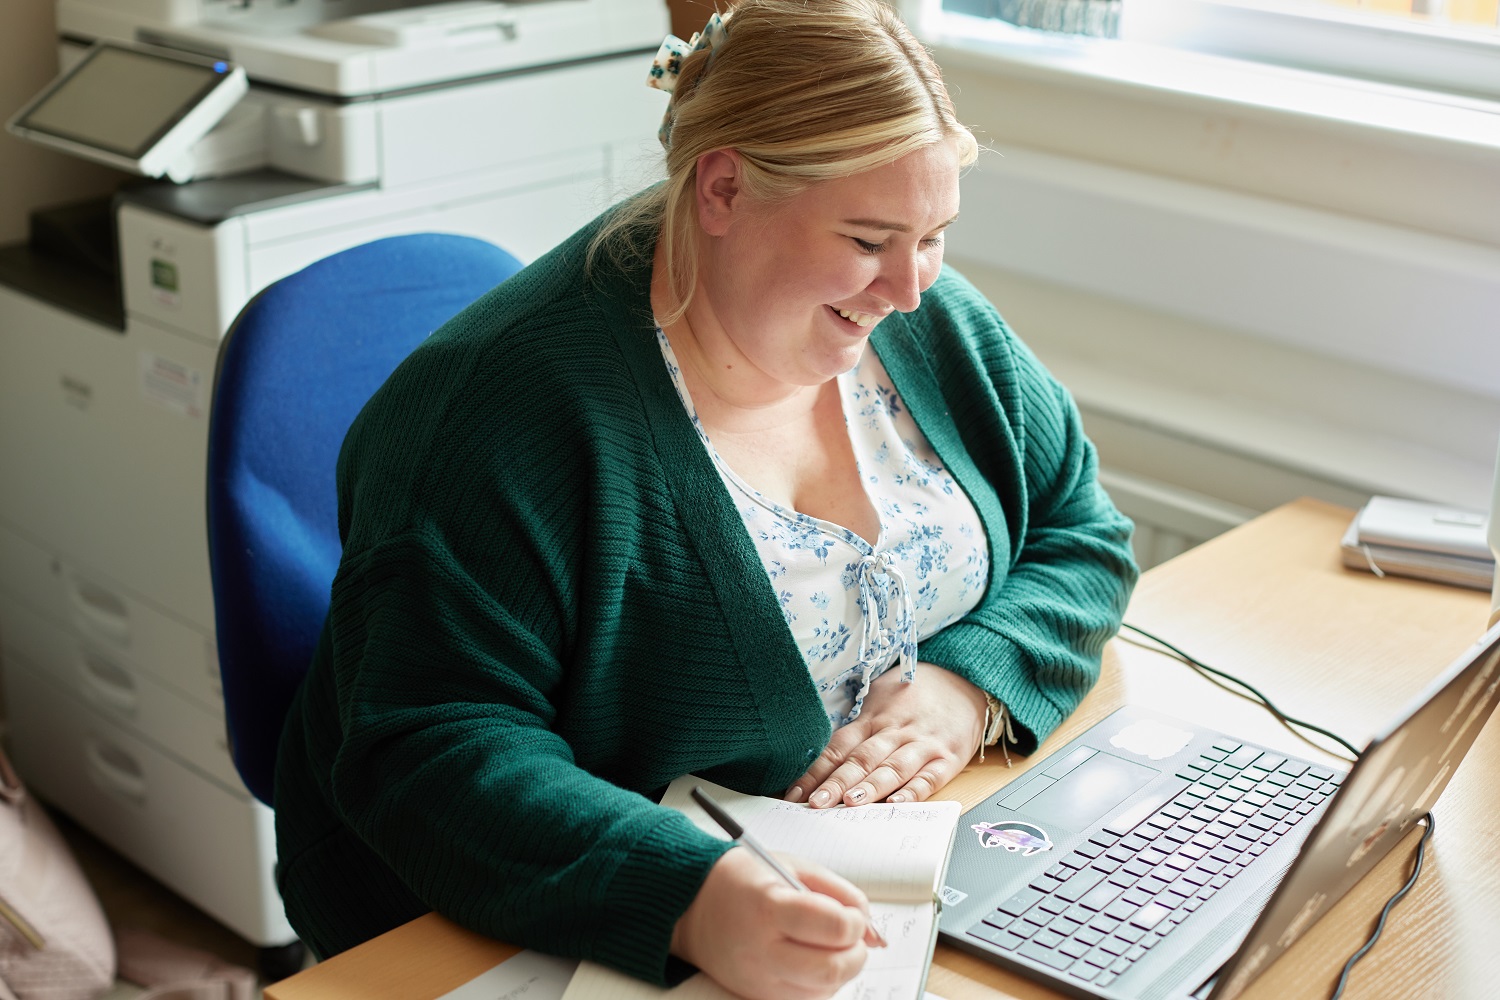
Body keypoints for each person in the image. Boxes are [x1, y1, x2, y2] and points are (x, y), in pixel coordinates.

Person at [272, 1, 1138, 997]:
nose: (910, 285)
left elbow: (1082, 529)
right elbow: (430, 751)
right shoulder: (496, 418)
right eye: (867, 238)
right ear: (723, 187)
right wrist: (689, 896)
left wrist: (969, 687)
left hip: (895, 876)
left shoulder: (926, 324)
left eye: (934, 234)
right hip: (537, 932)